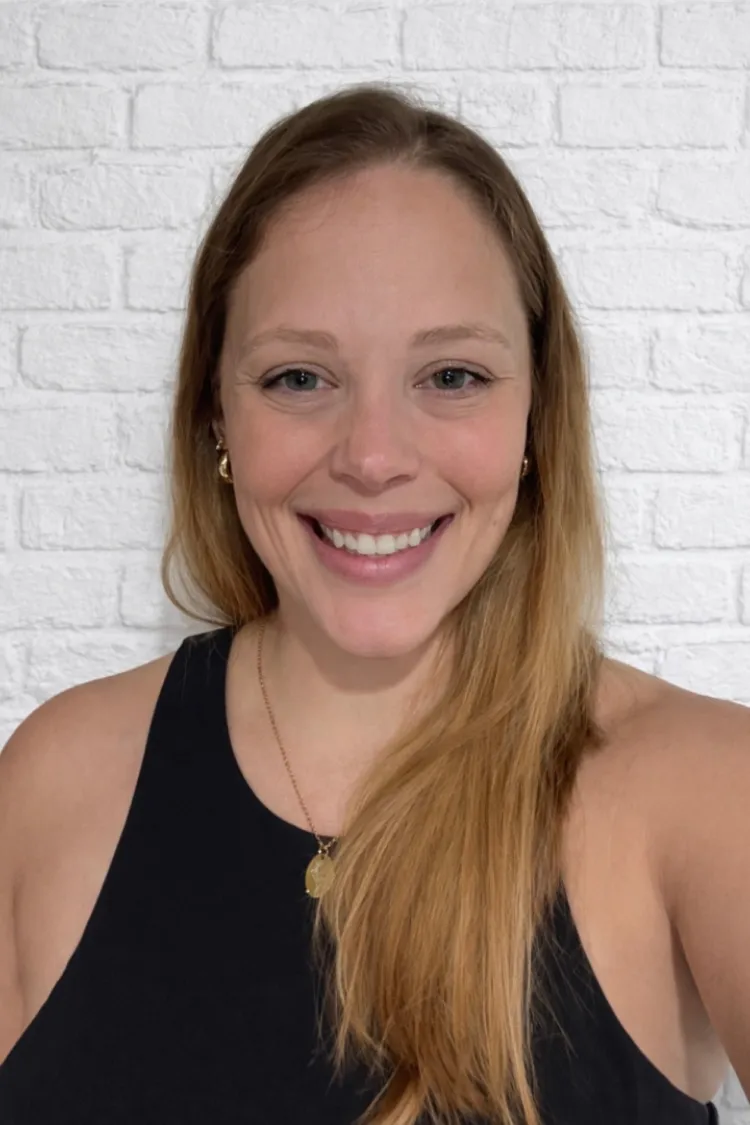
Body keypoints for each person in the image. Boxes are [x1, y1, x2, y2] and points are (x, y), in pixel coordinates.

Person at [0, 82, 746, 1125]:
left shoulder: (703, 793)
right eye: (301, 379)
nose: (374, 458)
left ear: (539, 414)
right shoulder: (56, 781)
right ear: (216, 416)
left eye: (450, 374)